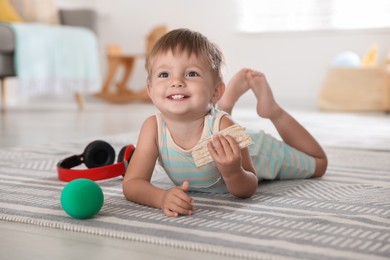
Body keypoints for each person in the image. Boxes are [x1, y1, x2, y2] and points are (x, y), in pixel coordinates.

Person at [122, 28, 328, 217]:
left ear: (215, 91)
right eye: (164, 74)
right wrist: (160, 198)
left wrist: (233, 171)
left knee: (319, 164)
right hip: (219, 130)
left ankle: (272, 110)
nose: (176, 82)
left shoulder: (225, 127)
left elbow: (248, 188)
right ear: (150, 90)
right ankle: (225, 104)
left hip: (257, 151)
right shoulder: (153, 128)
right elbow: (132, 183)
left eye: (191, 73)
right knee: (217, 122)